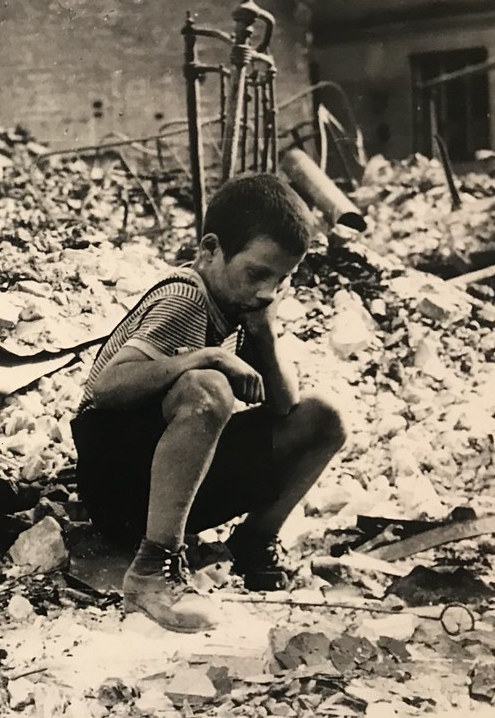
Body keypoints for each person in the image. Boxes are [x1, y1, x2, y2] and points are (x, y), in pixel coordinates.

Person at [70, 172, 347, 633]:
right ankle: (150, 572)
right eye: (257, 273)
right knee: (207, 388)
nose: (267, 292)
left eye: (282, 279)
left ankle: (254, 542)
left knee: (324, 419)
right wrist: (205, 357)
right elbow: (106, 388)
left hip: (167, 485)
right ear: (210, 250)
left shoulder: (239, 307)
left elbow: (285, 408)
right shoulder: (185, 298)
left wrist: (265, 331)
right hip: (115, 482)